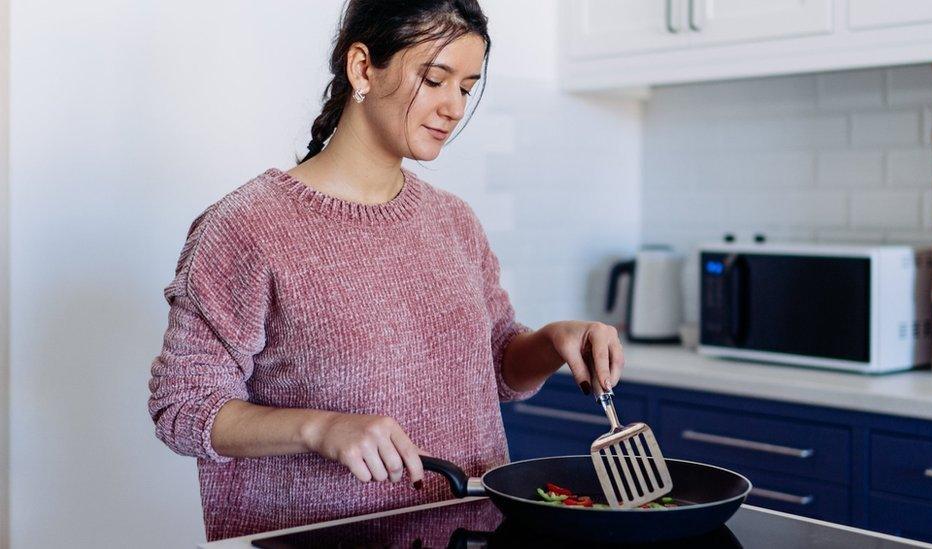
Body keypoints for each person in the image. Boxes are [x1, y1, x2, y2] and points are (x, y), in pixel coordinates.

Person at [147, 0, 625, 541]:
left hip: (468, 533)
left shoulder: (453, 221)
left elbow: (494, 370)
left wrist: (553, 342)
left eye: (465, 88)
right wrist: (320, 428)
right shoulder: (247, 227)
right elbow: (182, 408)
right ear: (361, 68)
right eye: (434, 79)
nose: (453, 107)